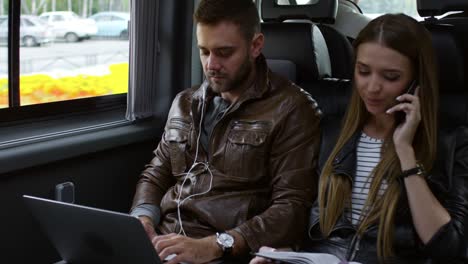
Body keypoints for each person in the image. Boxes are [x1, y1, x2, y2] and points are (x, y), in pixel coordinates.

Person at [251, 13, 468, 263]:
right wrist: (283, 254)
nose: (372, 87)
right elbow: (303, 220)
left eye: (391, 77)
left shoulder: (452, 143)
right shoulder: (328, 132)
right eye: (363, 71)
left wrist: (406, 153)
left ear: (416, 81)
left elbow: (447, 248)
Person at [130, 0, 322, 263]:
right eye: (204, 51)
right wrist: (143, 219)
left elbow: (292, 209)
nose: (211, 65)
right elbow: (156, 174)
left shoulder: (292, 109)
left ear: (255, 46)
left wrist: (217, 244)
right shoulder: (185, 103)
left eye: (224, 52)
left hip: (226, 251)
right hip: (163, 244)